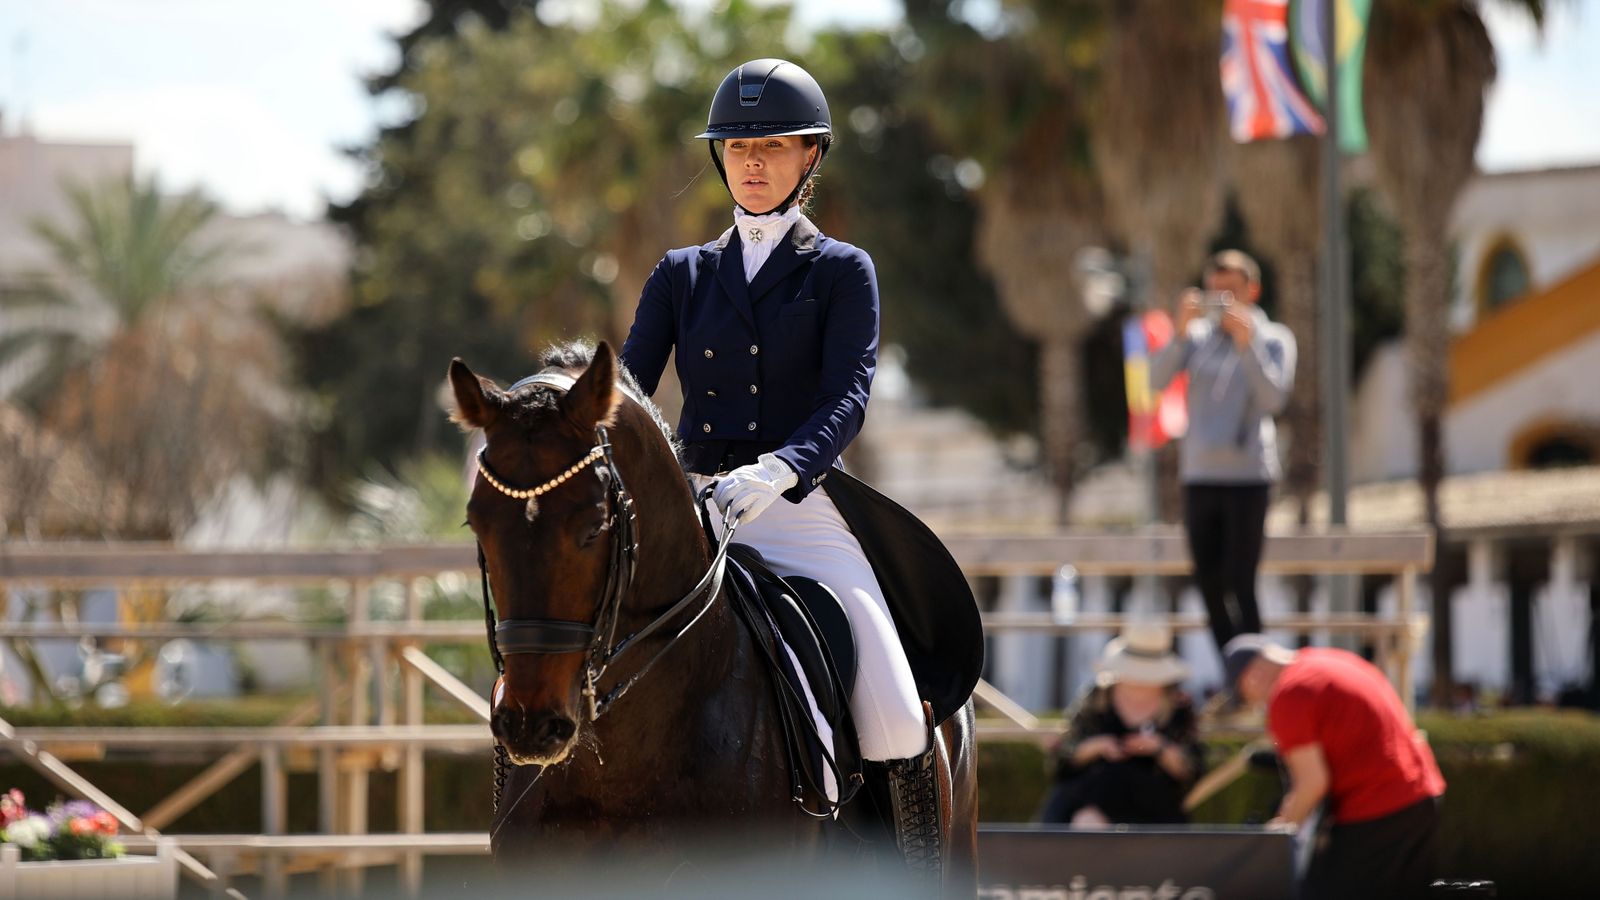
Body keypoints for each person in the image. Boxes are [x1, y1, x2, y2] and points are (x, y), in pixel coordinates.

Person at [619, 58, 981, 874]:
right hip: (694, 510)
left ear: (810, 156)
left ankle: (909, 876)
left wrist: (780, 470)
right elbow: (627, 392)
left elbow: (849, 395)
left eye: (772, 144)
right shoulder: (681, 275)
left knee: (892, 707)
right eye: (737, 145)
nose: (752, 161)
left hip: (796, 506)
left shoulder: (840, 271)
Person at [1223, 634, 1446, 900]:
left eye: (1247, 697)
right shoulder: (1332, 659)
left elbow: (1312, 783)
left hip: (1375, 809)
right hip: (1423, 796)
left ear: (1253, 676)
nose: (1257, 705)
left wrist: (1278, 832)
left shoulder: (1289, 693)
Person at [1151, 250, 1296, 656]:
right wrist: (1179, 332)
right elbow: (1155, 380)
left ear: (1253, 290)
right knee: (1209, 584)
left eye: (1231, 292)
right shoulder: (1195, 339)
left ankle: (1254, 673)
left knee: (1242, 582)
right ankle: (1238, 675)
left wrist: (1248, 345)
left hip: (1250, 476)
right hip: (1199, 476)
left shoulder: (1275, 338)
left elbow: (1274, 398)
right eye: (1215, 293)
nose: (1224, 302)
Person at [1039, 623, 1203, 826]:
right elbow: (1064, 757)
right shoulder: (1096, 699)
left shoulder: (1179, 709)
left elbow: (1191, 770)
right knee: (1086, 817)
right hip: (1091, 795)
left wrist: (1159, 748)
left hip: (1154, 804)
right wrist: (1098, 747)